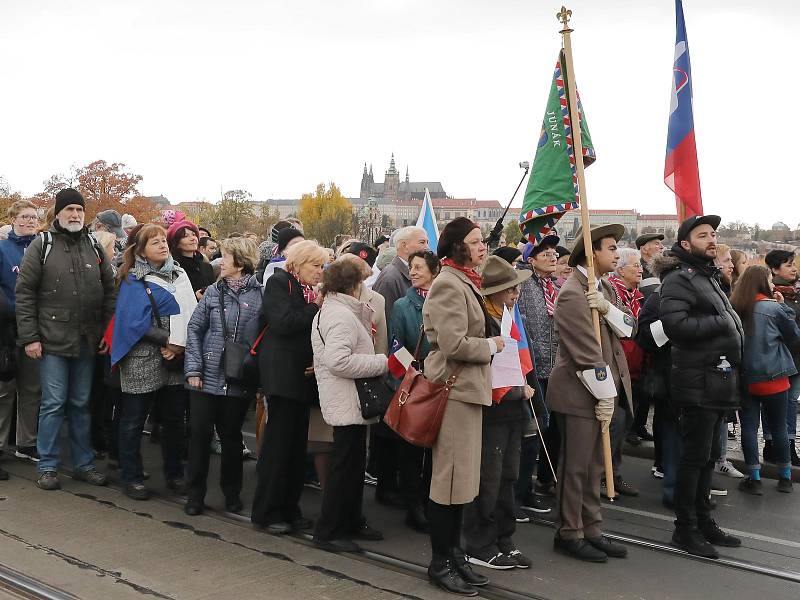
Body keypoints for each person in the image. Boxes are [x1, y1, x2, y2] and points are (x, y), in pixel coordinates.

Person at [15, 188, 115, 491]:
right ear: (57, 213)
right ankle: (47, 465)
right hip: (51, 340)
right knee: (54, 403)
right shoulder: (41, 245)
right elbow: (25, 294)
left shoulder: (93, 246)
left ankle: (84, 464)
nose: (74, 215)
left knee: (81, 403)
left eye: (79, 210)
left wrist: (105, 331)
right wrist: (30, 338)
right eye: (69, 209)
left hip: (86, 339)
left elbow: (109, 290)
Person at [422, 217, 500, 596]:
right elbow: (453, 345)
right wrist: (491, 346)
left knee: (462, 481)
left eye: (482, 239)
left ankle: (454, 554)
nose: (482, 245)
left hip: (467, 391)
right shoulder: (449, 284)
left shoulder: (465, 280)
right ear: (456, 247)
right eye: (475, 240)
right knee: (448, 481)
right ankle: (440, 561)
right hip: (453, 392)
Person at [659, 214, 743, 558]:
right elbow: (675, 326)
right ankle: (685, 529)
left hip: (717, 381)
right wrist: (720, 321)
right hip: (696, 382)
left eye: (713, 234)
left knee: (708, 457)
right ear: (685, 244)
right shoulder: (680, 279)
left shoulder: (708, 277)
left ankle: (704, 521)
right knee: (693, 459)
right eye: (703, 234)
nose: (711, 239)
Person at [547, 224, 631, 563]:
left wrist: (608, 309)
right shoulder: (571, 293)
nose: (617, 254)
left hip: (600, 390)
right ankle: (569, 531)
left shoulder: (603, 288)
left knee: (597, 464)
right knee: (577, 466)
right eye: (611, 248)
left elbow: (629, 327)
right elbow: (584, 353)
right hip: (580, 391)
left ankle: (591, 526)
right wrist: (606, 395)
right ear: (592, 252)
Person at [110, 224, 197, 500]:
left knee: (174, 420)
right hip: (141, 356)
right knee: (133, 420)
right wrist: (166, 341)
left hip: (174, 356)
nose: (162, 245)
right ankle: (131, 477)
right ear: (141, 250)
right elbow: (132, 321)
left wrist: (178, 346)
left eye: (163, 241)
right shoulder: (132, 278)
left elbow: (189, 313)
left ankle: (174, 475)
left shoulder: (179, 274)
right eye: (154, 242)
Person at [310, 259, 388, 552]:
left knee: (353, 466)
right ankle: (329, 530)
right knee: (344, 468)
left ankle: (350, 520)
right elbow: (338, 361)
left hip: (349, 399)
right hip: (347, 399)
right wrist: (382, 363)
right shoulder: (340, 315)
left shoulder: (336, 310)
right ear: (353, 285)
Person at [462, 256, 534, 571]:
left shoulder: (506, 317)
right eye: (509, 290)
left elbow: (517, 359)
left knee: (508, 475)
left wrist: (523, 384)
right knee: (487, 479)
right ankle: (479, 542)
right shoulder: (482, 321)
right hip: (492, 409)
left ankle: (505, 537)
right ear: (491, 293)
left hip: (512, 407)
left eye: (516, 289)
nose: (515, 295)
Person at [251, 240, 326, 534]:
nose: (321, 272)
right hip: (281, 377)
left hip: (302, 376)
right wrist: (315, 306)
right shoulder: (279, 283)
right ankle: (267, 512)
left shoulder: (308, 290)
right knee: (278, 448)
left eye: (322, 266)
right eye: (316, 266)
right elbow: (284, 323)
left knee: (296, 450)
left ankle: (290, 509)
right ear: (299, 263)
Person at [184, 237, 262, 515]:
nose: (220, 261)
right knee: (199, 435)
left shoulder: (259, 296)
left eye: (226, 257)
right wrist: (193, 369)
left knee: (231, 438)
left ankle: (232, 493)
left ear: (241, 263)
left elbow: (262, 339)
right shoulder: (214, 292)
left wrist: (255, 375)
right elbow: (194, 329)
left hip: (238, 377)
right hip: (205, 376)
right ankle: (195, 495)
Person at [731, 265, 799, 494]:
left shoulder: (735, 308)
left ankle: (754, 477)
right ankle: (785, 478)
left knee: (749, 427)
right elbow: (794, 337)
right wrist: (784, 308)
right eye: (770, 280)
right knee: (779, 427)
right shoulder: (774, 308)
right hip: (776, 376)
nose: (772, 284)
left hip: (747, 378)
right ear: (762, 283)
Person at [388, 249, 440, 533]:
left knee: (435, 449)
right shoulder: (402, 306)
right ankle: (413, 505)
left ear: (434, 270)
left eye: (420, 267)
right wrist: (413, 374)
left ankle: (431, 500)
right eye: (412, 267)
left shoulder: (444, 300)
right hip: (416, 383)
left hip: (442, 384)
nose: (414, 271)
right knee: (411, 449)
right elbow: (396, 347)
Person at [516, 235, 562, 512]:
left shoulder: (555, 286)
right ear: (530, 260)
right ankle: (521, 493)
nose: (552, 257)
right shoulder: (522, 285)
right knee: (530, 435)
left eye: (554, 253)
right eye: (544, 253)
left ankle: (543, 481)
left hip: (554, 369)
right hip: (531, 370)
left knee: (549, 431)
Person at [0, 200, 42, 462]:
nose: (29, 222)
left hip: (37, 329)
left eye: (34, 218)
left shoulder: (43, 249)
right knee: (4, 390)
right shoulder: (2, 248)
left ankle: (26, 443)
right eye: (24, 217)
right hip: (7, 327)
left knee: (32, 388)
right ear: (13, 219)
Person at [605, 248, 643, 497]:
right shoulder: (611, 291)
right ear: (620, 270)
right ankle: (607, 475)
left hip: (634, 368)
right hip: (616, 366)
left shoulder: (636, 295)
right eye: (635, 266)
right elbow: (621, 327)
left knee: (625, 421)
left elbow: (635, 326)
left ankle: (612, 473)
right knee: (614, 422)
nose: (641, 269)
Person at [763, 250, 800, 466]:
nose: (794, 268)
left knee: (790, 403)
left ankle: (788, 445)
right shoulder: (769, 293)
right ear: (775, 270)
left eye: (793, 264)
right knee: (772, 402)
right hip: (776, 358)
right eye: (788, 265)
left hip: (796, 358)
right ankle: (770, 444)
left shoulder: (797, 292)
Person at [373, 226, 429, 323]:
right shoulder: (390, 278)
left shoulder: (405, 273)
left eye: (427, 242)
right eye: (422, 242)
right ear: (404, 245)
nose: (427, 247)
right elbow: (386, 321)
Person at [167, 220, 215, 300]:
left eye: (194, 234)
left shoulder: (207, 267)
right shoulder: (173, 269)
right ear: (176, 243)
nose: (193, 238)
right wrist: (194, 297)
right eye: (185, 236)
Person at [636, 233, 665, 298]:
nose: (662, 247)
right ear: (644, 249)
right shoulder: (637, 271)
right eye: (657, 244)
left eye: (661, 244)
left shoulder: (665, 269)